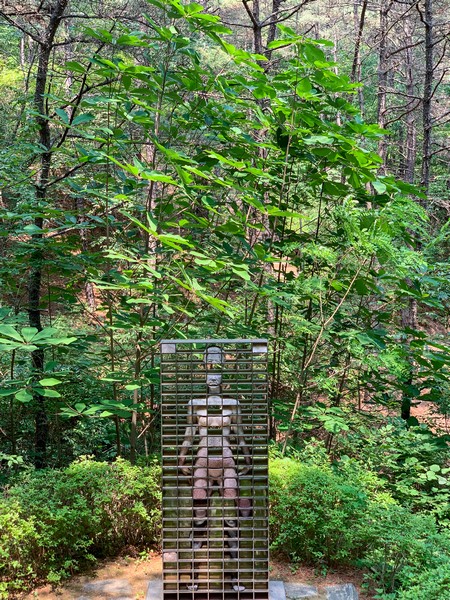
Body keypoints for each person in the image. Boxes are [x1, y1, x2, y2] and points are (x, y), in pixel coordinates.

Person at [178, 346, 251, 591]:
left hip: (228, 461)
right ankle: (194, 580)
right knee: (199, 516)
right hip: (202, 460)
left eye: (217, 366)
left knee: (231, 519)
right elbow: (189, 434)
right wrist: (181, 459)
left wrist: (248, 459)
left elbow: (240, 435)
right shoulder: (195, 403)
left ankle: (236, 579)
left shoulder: (233, 403)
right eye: (209, 365)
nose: (213, 374)